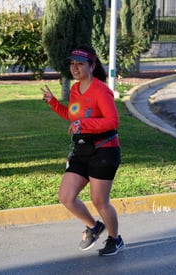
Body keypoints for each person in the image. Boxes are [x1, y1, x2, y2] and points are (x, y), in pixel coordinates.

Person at [41, 45, 124, 256]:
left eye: (80, 64)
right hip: (82, 150)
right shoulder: (76, 89)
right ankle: (95, 227)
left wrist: (83, 126)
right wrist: (53, 104)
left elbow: (113, 121)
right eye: (72, 63)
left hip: (104, 150)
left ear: (92, 65)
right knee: (66, 196)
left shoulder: (101, 90)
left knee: (99, 201)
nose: (75, 68)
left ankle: (115, 239)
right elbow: (74, 116)